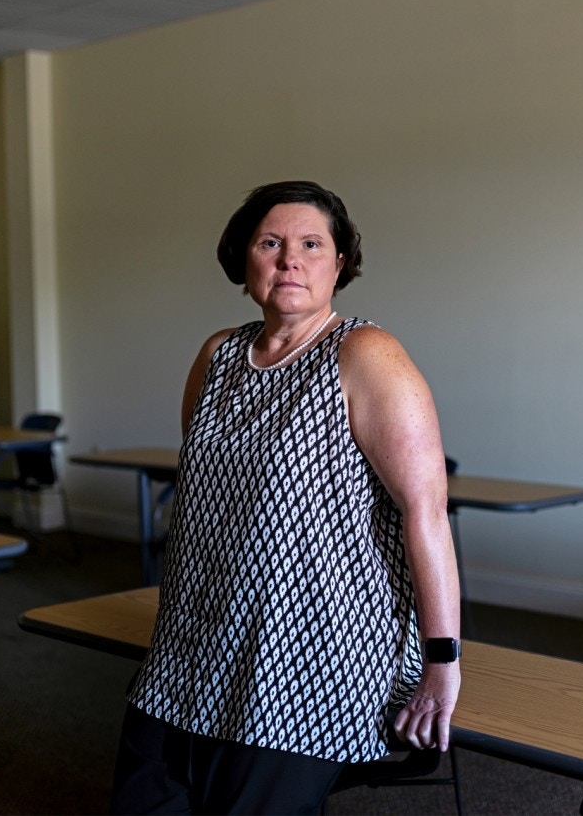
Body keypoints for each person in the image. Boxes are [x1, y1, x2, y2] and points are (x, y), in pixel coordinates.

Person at [110, 180, 461, 815]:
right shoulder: (217, 356)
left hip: (309, 658)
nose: (289, 259)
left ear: (340, 262)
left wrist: (442, 662)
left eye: (310, 244)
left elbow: (426, 513)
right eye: (270, 242)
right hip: (192, 637)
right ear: (244, 259)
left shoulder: (365, 353)